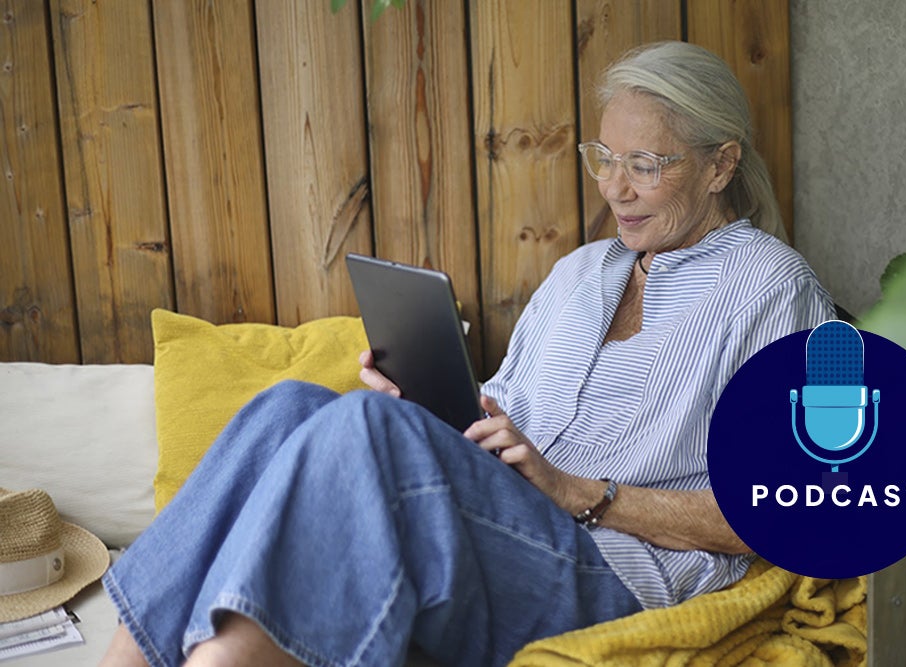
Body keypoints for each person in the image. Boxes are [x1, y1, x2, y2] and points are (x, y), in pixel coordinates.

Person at [99, 41, 833, 667]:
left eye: (645, 163)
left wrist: (581, 491)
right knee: (291, 405)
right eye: (604, 157)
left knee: (362, 430)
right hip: (495, 527)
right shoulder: (579, 273)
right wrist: (424, 417)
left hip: (609, 577)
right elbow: (498, 414)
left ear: (719, 165)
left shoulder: (770, 286)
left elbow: (785, 510)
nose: (615, 187)